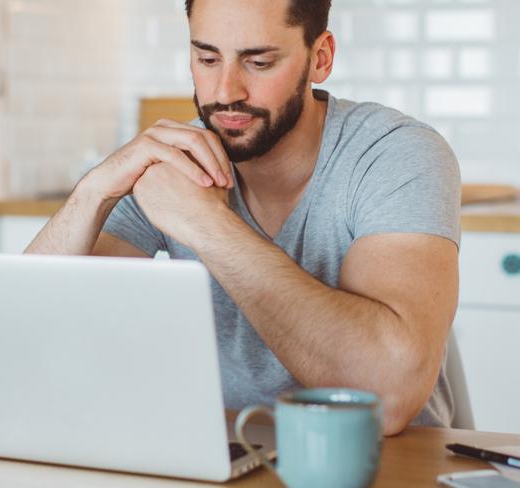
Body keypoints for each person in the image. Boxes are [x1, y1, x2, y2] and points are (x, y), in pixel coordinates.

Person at [25, 0, 460, 436]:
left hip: (385, 463)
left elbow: (385, 399)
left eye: (259, 62)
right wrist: (94, 191)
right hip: (224, 456)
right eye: (207, 58)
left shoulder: (395, 154)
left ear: (320, 58)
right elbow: (23, 335)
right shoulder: (174, 161)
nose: (225, 90)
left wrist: (206, 225)